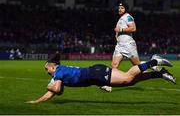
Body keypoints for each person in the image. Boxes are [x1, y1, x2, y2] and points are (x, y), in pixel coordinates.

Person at [26, 53, 176, 104]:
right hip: (96, 76)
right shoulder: (58, 73)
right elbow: (52, 92)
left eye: (46, 69)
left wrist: (49, 87)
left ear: (52, 67)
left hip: (96, 73)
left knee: (127, 77)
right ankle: (159, 73)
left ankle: (154, 61)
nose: (46, 72)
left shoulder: (58, 73)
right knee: (131, 81)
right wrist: (37, 101)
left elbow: (56, 90)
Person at [101, 2, 140, 92]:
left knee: (138, 66)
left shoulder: (128, 17)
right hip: (119, 46)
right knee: (114, 65)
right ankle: (108, 85)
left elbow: (133, 28)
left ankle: (156, 70)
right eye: (119, 8)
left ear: (125, 9)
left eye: (122, 8)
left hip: (128, 45)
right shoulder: (121, 18)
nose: (120, 9)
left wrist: (121, 30)